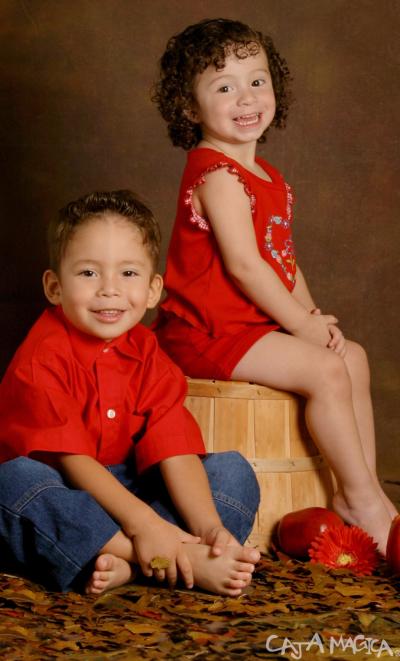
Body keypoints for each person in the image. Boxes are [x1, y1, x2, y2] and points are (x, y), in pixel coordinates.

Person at [151, 18, 397, 555]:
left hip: (250, 325)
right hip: (205, 331)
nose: (246, 97)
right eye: (224, 86)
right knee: (327, 369)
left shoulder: (267, 174)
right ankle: (361, 501)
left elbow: (283, 262)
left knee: (349, 355)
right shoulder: (216, 174)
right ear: (190, 109)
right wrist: (298, 325)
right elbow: (244, 266)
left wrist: (315, 319)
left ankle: (362, 488)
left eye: (256, 80)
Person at [0, 189, 261, 596]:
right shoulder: (41, 356)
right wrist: (148, 528)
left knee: (233, 471)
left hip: (133, 486)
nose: (109, 289)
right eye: (88, 273)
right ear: (54, 286)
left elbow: (174, 447)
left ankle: (143, 561)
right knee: (12, 481)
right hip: (67, 490)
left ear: (154, 289)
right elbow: (73, 462)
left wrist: (209, 527)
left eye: (128, 273)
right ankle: (160, 558)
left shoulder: (147, 352)